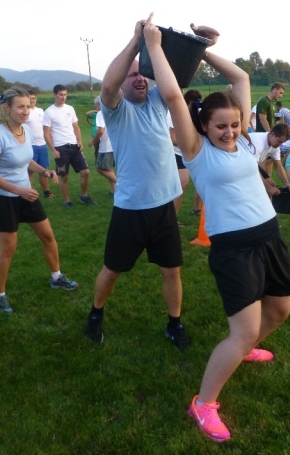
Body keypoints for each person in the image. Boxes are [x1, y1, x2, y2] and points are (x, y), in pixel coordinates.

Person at [142, 14, 290, 442]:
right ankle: (204, 403)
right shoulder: (197, 150)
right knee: (242, 331)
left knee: (279, 311)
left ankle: (242, 351)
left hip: (268, 237)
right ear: (203, 127)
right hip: (235, 249)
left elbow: (241, 77)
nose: (229, 132)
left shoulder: (245, 139)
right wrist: (155, 46)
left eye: (234, 124)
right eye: (221, 126)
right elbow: (172, 95)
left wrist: (205, 50)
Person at [84, 19, 190, 349]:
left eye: (142, 73)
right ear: (123, 83)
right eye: (132, 75)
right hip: (131, 209)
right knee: (112, 270)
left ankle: (174, 323)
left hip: (164, 208)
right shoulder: (116, 109)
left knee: (171, 271)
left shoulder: (158, 98)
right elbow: (107, 87)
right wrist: (136, 42)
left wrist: (200, 44)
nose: (140, 78)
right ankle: (95, 314)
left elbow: (177, 76)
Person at [0, 87, 79, 313]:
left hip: (26, 194)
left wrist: (44, 171)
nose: (25, 111)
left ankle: (56, 277)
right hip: (4, 198)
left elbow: (27, 161)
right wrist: (18, 190)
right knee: (8, 249)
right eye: (20, 106)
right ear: (7, 108)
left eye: (27, 106)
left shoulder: (25, 130)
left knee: (48, 236)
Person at [43, 84, 95, 207]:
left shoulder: (70, 109)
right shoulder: (49, 112)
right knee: (64, 176)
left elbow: (76, 126)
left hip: (74, 146)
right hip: (60, 148)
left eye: (65, 95)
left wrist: (79, 141)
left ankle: (84, 196)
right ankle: (67, 201)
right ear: (54, 95)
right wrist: (53, 149)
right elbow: (46, 132)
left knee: (86, 172)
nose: (63, 97)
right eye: (61, 95)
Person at [168, 89, 203, 220]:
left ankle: (197, 208)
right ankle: (171, 219)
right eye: (192, 105)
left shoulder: (196, 115)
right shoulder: (176, 115)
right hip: (177, 153)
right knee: (183, 184)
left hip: (192, 153)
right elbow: (172, 139)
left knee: (202, 181)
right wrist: (187, 142)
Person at [26, 89, 55, 198]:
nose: (32, 100)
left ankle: (47, 192)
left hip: (42, 145)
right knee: (30, 171)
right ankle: (28, 193)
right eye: (30, 99)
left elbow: (46, 128)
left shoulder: (41, 111)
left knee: (43, 170)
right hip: (30, 145)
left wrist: (51, 139)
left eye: (33, 98)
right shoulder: (25, 112)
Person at [248, 125, 290, 192]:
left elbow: (278, 166)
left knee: (271, 184)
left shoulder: (275, 147)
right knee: (260, 188)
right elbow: (253, 169)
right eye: (279, 141)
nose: (280, 145)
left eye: (282, 142)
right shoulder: (258, 143)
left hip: (252, 165)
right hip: (242, 164)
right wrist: (268, 188)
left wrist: (286, 183)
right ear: (272, 134)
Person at [87, 104, 117, 196]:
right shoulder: (114, 111)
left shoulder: (101, 113)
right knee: (108, 168)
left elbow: (101, 131)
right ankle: (114, 190)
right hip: (115, 145)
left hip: (106, 146)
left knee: (100, 169)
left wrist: (92, 142)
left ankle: (122, 185)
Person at [85, 97, 101, 162]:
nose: (96, 107)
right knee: (96, 148)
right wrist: (95, 111)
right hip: (95, 133)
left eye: (97, 106)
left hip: (101, 133)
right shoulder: (95, 114)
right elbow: (87, 113)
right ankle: (97, 161)